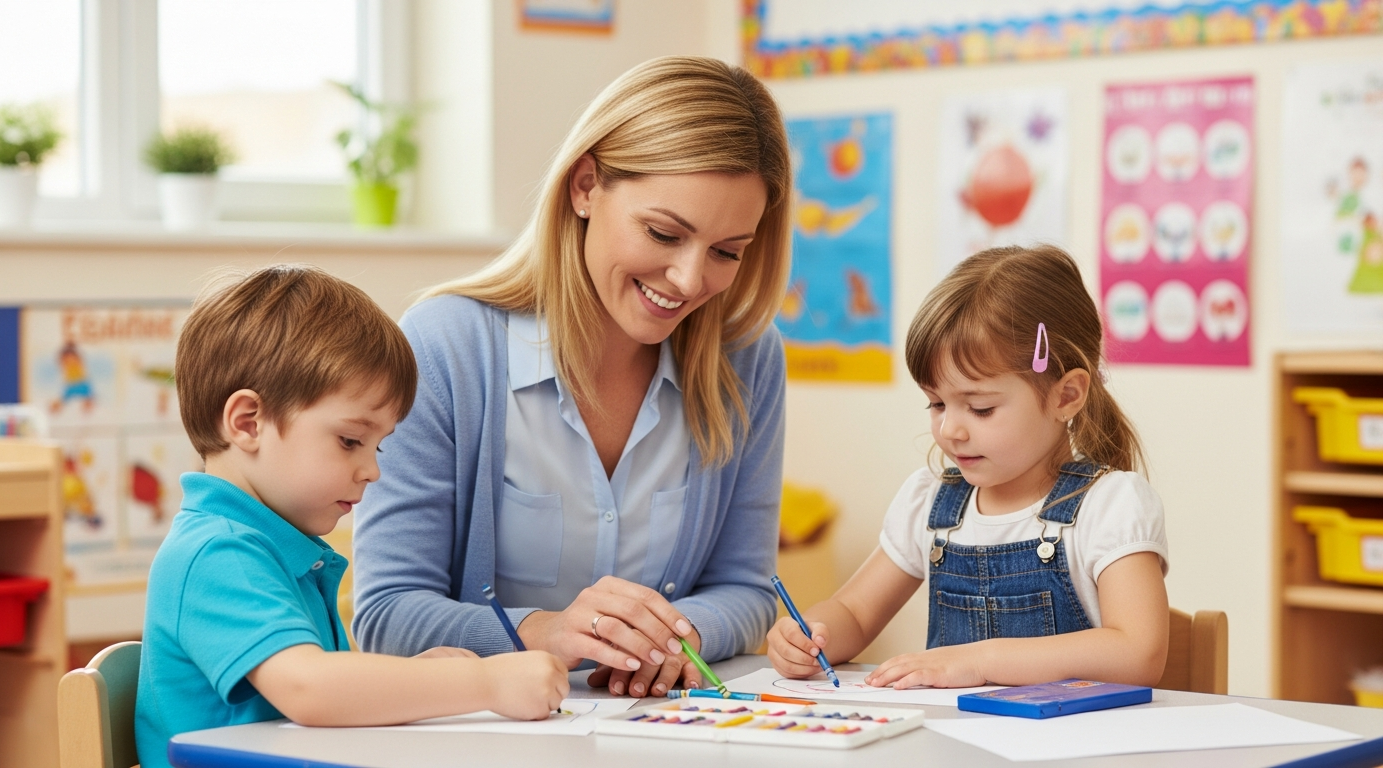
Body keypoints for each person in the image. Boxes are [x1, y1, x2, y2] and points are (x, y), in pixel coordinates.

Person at [352, 55, 792, 699]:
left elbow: (749, 589)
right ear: (585, 185)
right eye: (664, 233)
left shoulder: (747, 356)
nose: (692, 280)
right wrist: (542, 632)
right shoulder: (446, 345)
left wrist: (681, 635)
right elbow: (387, 613)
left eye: (727, 251)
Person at [135, 266, 568, 768]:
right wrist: (484, 682)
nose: (373, 471)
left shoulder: (274, 546)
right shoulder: (218, 551)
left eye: (379, 446)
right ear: (249, 422)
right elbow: (309, 688)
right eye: (349, 441)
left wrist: (414, 680)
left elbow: (316, 693)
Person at [766, 245, 1170, 689]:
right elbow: (855, 614)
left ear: (1066, 396)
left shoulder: (1107, 508)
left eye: (979, 409)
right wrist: (809, 635)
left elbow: (1138, 652)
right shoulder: (931, 505)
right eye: (937, 403)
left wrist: (980, 661)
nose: (951, 429)